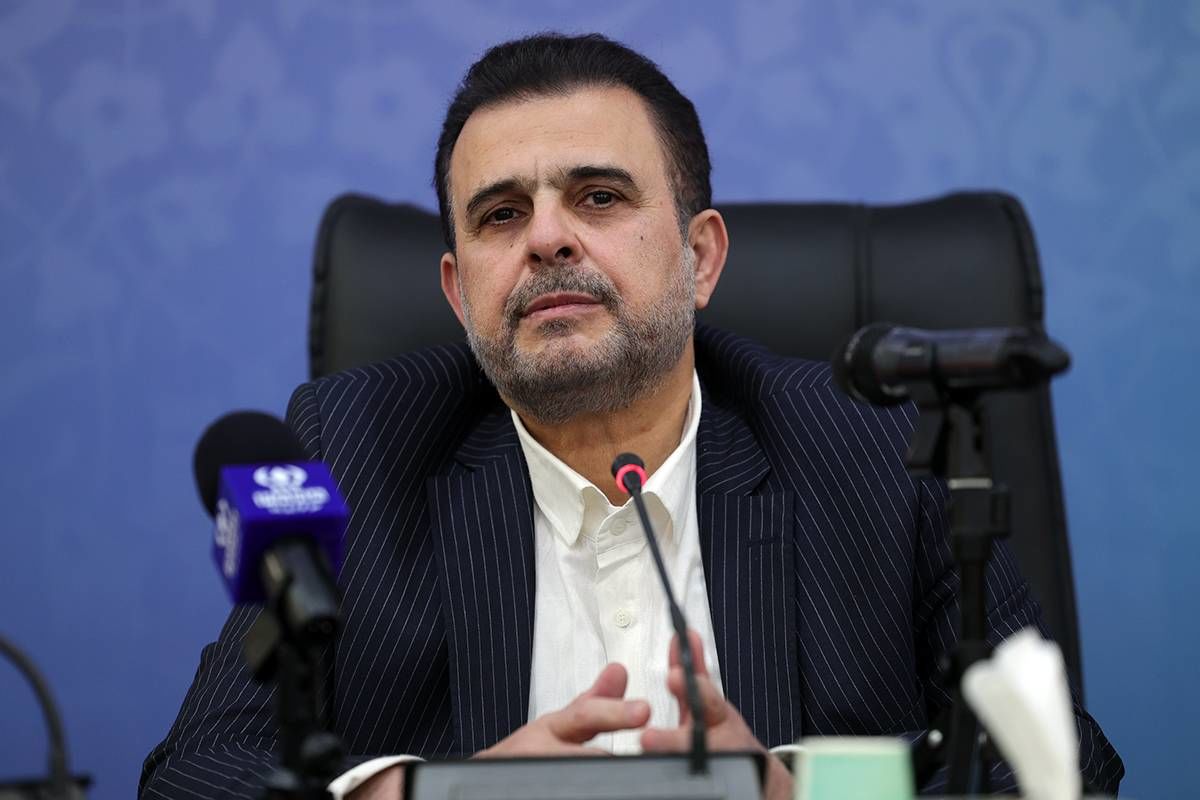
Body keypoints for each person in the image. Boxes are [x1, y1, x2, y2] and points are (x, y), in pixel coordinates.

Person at [140, 33, 1123, 799]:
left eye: (599, 196)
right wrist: (430, 794)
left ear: (700, 258)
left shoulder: (872, 447)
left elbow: (1060, 762)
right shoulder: (355, 450)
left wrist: (795, 793)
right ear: (457, 291)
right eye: (500, 215)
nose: (547, 238)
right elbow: (192, 775)